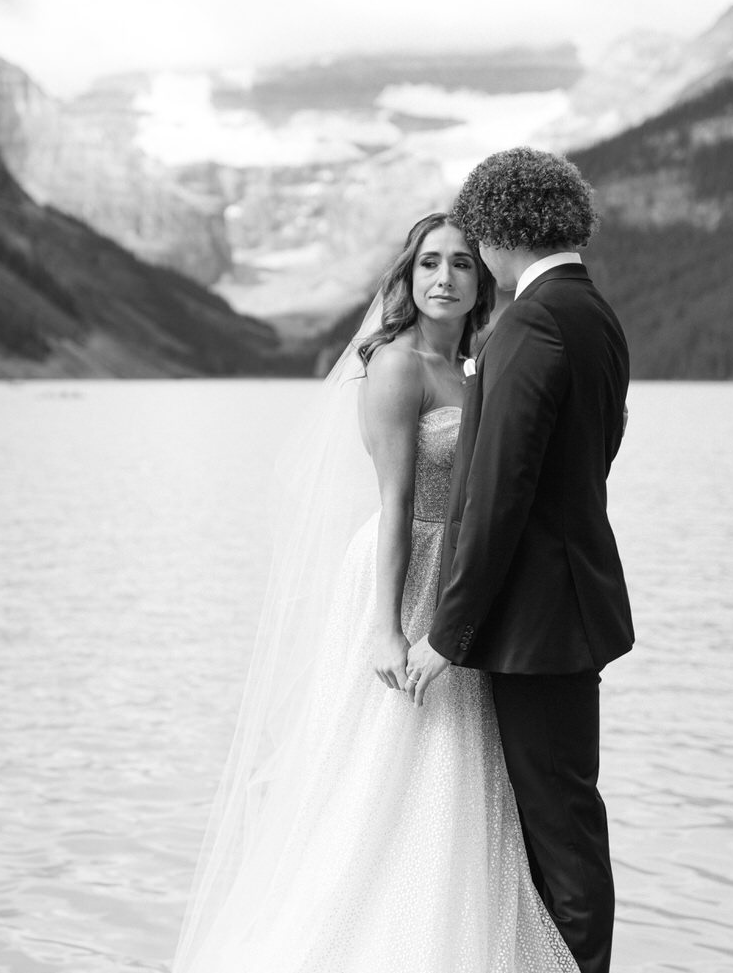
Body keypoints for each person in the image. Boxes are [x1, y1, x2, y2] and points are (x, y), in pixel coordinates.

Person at [172, 212, 580, 973]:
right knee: (393, 757)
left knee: (457, 761)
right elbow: (395, 504)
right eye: (429, 263)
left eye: (462, 263)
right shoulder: (395, 365)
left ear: (481, 278)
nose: (445, 278)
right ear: (407, 275)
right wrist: (386, 627)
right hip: (406, 566)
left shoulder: (477, 365)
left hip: (458, 578)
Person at [406, 147, 634, 973]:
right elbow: (596, 452)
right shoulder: (593, 312)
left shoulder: (532, 322)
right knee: (561, 819)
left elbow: (501, 490)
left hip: (538, 621)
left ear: (501, 230)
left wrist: (447, 631)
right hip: (568, 606)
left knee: (559, 831)